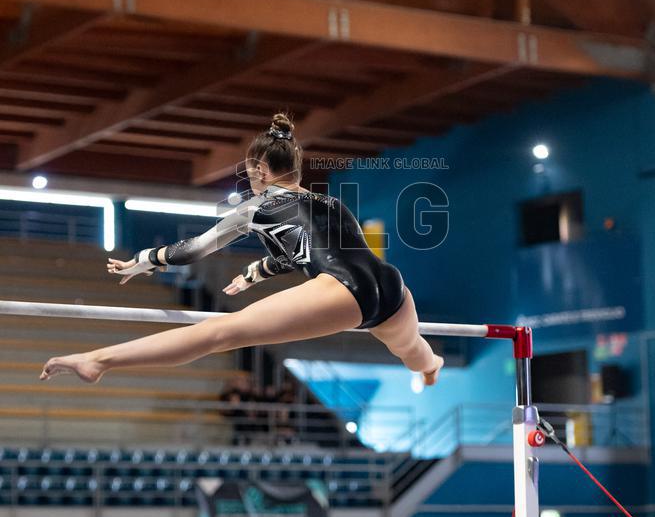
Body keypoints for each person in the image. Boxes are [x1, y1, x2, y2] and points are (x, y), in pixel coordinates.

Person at [40, 113, 444, 386]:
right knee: (411, 349)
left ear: (260, 171)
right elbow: (306, 250)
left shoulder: (256, 207)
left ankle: (98, 360)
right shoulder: (332, 203)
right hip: (391, 286)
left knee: (219, 333)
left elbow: (194, 250)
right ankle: (431, 369)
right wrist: (256, 273)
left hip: (341, 289)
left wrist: (146, 260)